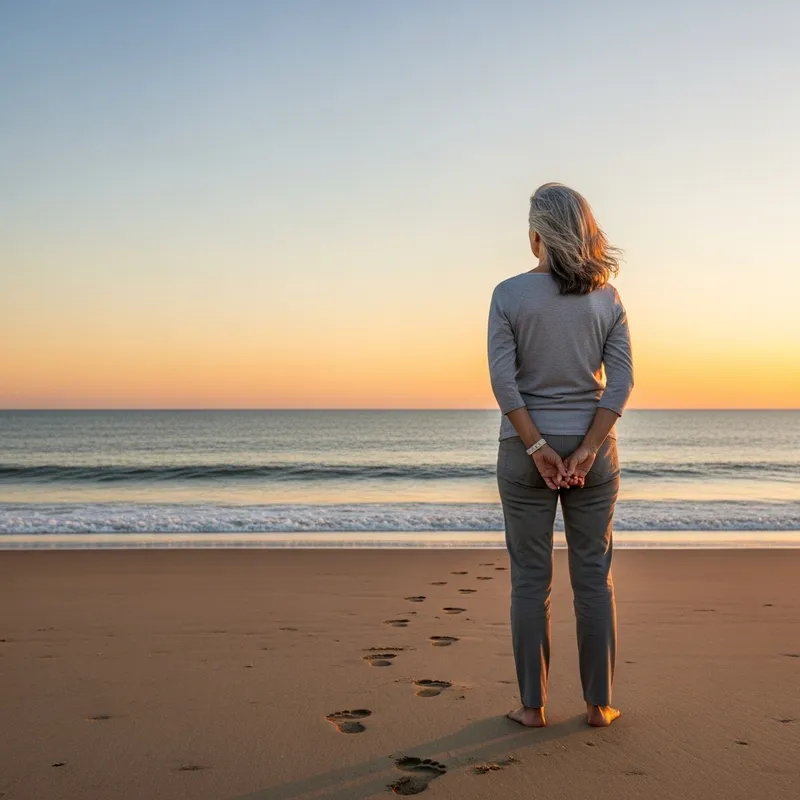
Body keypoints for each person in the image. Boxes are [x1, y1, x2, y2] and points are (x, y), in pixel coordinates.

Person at [487, 182, 634, 728]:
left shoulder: (508, 294)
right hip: (596, 455)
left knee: (530, 579)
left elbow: (504, 384)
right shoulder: (608, 298)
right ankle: (599, 706)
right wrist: (589, 448)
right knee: (594, 578)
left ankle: (532, 707)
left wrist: (539, 447)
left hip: (525, 454)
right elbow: (620, 384)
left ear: (536, 235)